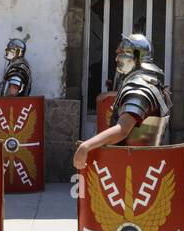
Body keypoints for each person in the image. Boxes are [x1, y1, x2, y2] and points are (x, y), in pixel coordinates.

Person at [73, 34, 172, 170]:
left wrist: (86, 146)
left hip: (132, 167)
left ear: (135, 56)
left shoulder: (139, 86)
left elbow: (123, 130)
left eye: (121, 54)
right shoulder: (150, 83)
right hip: (144, 166)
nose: (116, 59)